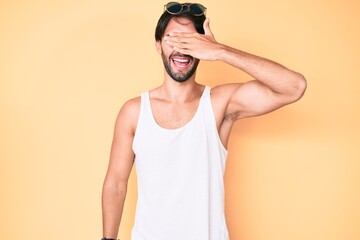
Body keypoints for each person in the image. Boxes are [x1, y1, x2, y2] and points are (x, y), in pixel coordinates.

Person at [101, 2, 307, 240]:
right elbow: (115, 183)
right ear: (158, 45)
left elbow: (294, 87)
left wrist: (221, 51)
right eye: (172, 39)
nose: (181, 48)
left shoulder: (219, 104)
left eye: (190, 41)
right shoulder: (134, 111)